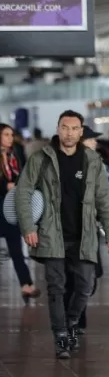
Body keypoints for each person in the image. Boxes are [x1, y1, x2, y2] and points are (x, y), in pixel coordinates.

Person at [15, 111, 109, 359]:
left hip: (83, 234)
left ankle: (71, 323)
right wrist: (28, 227)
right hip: (51, 234)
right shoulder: (41, 158)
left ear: (81, 131)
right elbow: (23, 192)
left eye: (74, 128)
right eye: (65, 127)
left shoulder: (93, 160)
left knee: (85, 286)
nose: (69, 133)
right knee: (56, 288)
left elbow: (104, 199)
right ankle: (61, 335)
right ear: (58, 128)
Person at [62, 126, 107, 332]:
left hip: (90, 229)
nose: (95, 143)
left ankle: (75, 318)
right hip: (69, 230)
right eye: (91, 140)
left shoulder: (97, 164)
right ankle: (74, 322)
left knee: (89, 279)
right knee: (73, 278)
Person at [0, 123, 41, 304]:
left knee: (15, 247)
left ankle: (26, 284)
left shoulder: (15, 152)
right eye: (6, 134)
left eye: (11, 134)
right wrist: (4, 186)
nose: (10, 138)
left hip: (10, 207)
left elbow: (24, 174)